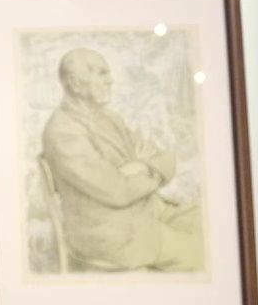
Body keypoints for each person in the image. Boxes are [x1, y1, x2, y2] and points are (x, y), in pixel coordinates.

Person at [41, 46, 202, 271]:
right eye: (101, 73)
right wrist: (146, 170)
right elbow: (117, 191)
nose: (111, 80)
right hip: (112, 234)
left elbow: (166, 158)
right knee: (203, 252)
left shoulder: (110, 118)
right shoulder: (62, 132)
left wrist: (138, 167)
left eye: (108, 73)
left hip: (150, 211)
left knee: (213, 226)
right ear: (75, 84)